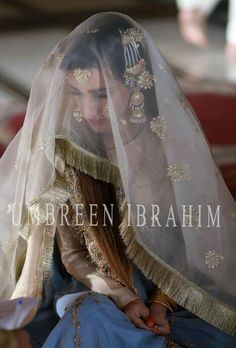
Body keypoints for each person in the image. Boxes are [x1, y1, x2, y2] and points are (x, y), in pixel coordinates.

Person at [0, 12, 235, 348]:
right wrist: (124, 297)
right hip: (95, 284)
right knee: (94, 318)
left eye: (101, 94)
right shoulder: (70, 149)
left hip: (168, 282)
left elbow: (192, 239)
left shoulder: (168, 146)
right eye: (77, 95)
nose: (89, 110)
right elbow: (74, 253)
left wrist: (161, 303)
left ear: (136, 84)